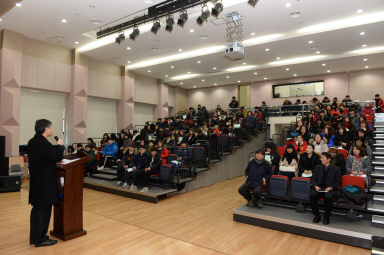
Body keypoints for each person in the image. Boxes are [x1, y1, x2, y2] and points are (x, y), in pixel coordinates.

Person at [28, 119, 64, 247]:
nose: (51, 129)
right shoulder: (43, 143)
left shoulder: (32, 142)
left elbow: (46, 156)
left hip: (36, 182)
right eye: (51, 127)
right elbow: (56, 157)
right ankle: (41, 239)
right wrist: (60, 146)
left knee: (37, 211)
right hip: (45, 184)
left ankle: (35, 237)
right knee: (44, 211)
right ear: (46, 129)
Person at [310, 152, 341, 225]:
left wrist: (331, 187)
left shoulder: (336, 169)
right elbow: (313, 179)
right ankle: (317, 215)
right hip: (319, 188)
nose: (321, 159)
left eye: (323, 158)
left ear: (329, 159)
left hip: (329, 189)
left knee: (328, 197)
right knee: (312, 195)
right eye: (321, 158)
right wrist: (315, 186)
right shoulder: (318, 167)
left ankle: (326, 216)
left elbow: (338, 182)